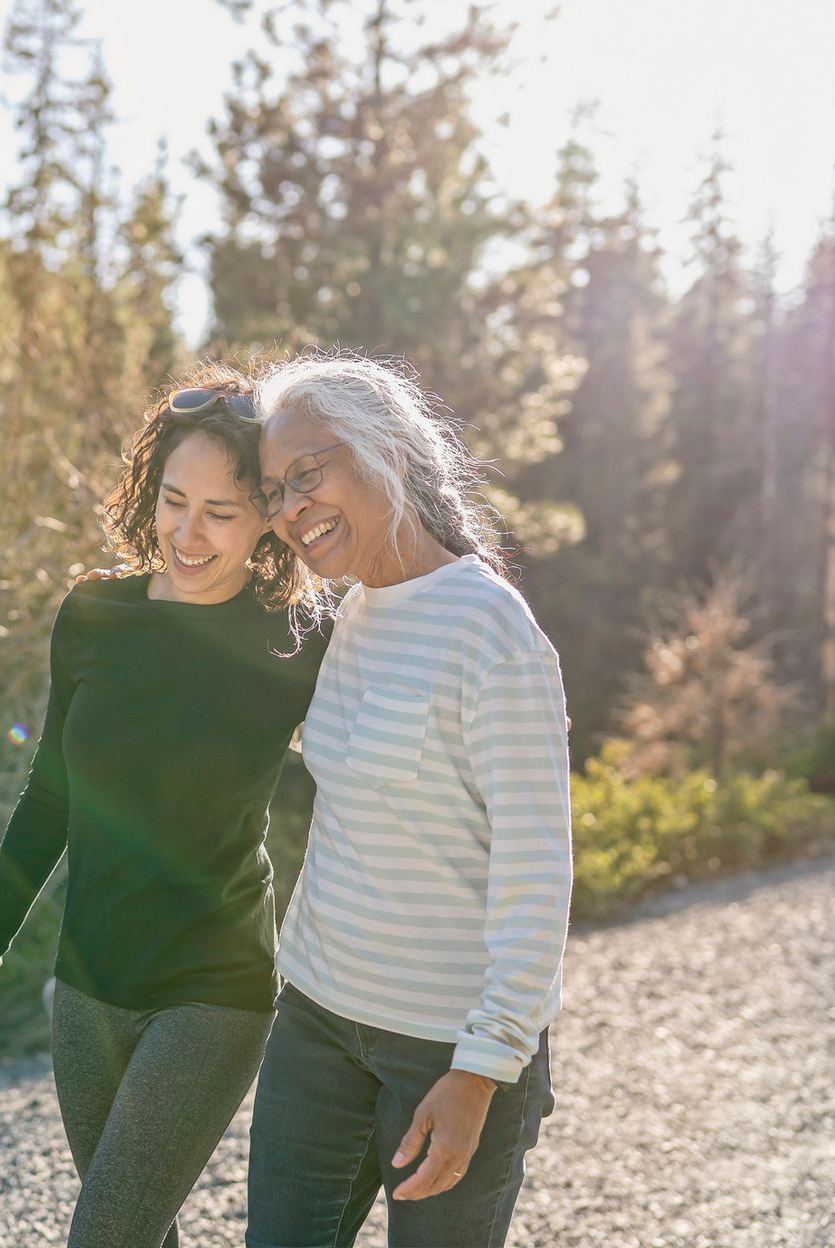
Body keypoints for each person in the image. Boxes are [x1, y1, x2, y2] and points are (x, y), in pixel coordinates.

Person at [0, 371, 329, 1248]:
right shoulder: (93, 615)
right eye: (174, 500)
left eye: (222, 513)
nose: (189, 534)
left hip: (214, 988)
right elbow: (49, 801)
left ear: (268, 516)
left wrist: (512, 695)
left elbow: (401, 719)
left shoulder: (294, 640)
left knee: (106, 1233)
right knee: (141, 1233)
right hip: (86, 990)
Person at [243, 354, 572, 1248]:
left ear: (386, 448)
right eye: (274, 490)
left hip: (447, 1049)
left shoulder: (489, 629)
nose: (289, 507)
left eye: (307, 474)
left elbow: (537, 874)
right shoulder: (345, 614)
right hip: (315, 1019)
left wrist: (483, 1071)